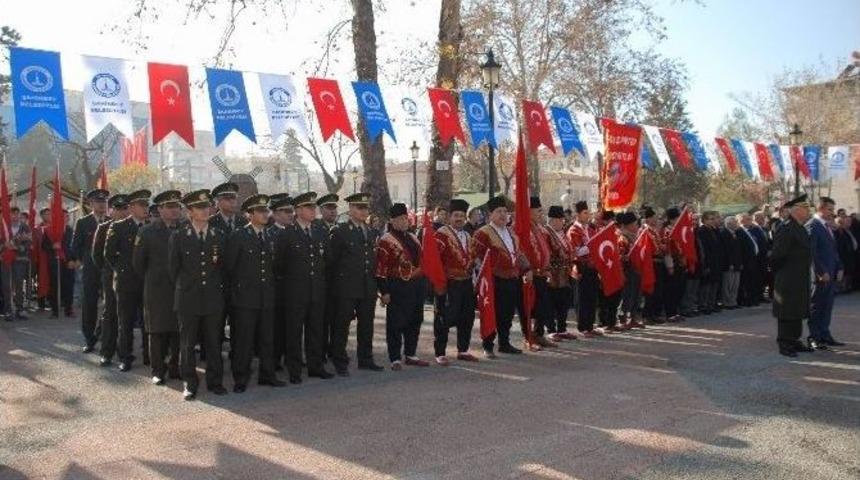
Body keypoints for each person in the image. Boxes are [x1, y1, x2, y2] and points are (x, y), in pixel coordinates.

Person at [169, 189, 228, 400]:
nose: (206, 211)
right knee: (187, 343)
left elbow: (224, 268)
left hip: (213, 298)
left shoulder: (219, 236)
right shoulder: (178, 236)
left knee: (213, 342)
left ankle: (215, 381)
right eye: (200, 208)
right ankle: (190, 383)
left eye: (207, 207)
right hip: (188, 298)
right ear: (190, 211)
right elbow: (173, 269)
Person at [225, 194, 286, 392]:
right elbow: (229, 268)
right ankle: (240, 378)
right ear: (249, 214)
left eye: (266, 210)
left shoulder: (270, 235)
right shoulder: (238, 236)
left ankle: (267, 375)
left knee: (267, 339)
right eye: (260, 211)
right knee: (244, 341)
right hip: (245, 298)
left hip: (266, 297)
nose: (265, 214)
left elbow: (275, 267)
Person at [275, 192, 334, 382]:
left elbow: (327, 260)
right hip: (295, 293)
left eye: (314, 207)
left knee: (316, 330)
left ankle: (315, 366)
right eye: (309, 208)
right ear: (299, 211)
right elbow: (279, 264)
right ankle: (294, 370)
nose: (313, 211)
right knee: (294, 332)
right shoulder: (287, 233)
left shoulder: (320, 231)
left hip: (316, 291)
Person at [326, 193, 384, 376]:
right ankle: (339, 361)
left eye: (366, 208)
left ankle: (365, 359)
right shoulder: (340, 232)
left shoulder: (371, 231)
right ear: (350, 209)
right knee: (341, 326)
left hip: (367, 286)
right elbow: (331, 262)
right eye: (359, 207)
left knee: (366, 325)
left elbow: (373, 260)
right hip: (346, 287)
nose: (363, 211)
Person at [133, 190, 183, 386]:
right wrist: (153, 279)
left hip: (181, 289)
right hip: (157, 289)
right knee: (157, 332)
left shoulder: (185, 228)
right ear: (160, 209)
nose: (174, 210)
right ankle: (158, 369)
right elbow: (138, 264)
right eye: (169, 207)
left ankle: (175, 367)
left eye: (177, 206)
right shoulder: (147, 232)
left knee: (179, 331)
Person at [471, 195, 531, 357]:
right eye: (499, 211)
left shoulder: (511, 233)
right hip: (493, 281)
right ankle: (488, 345)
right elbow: (476, 257)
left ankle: (504, 343)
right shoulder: (482, 233)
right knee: (491, 312)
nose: (503, 215)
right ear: (490, 214)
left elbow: (518, 254)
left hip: (512, 278)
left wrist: (527, 269)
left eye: (505, 211)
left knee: (507, 313)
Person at [376, 203, 428, 370]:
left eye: (405, 218)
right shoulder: (386, 240)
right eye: (399, 219)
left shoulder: (413, 237)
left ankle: (411, 354)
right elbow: (380, 269)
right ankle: (395, 358)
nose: (404, 221)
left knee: (415, 319)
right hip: (397, 286)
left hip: (416, 285)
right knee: (396, 323)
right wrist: (384, 291)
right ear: (392, 220)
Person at [104, 189, 150, 372]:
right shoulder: (119, 227)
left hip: (147, 282)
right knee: (126, 322)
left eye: (147, 204)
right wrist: (122, 271)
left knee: (148, 322)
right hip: (126, 282)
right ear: (131, 208)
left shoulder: (151, 227)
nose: (145, 208)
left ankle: (149, 355)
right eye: (141, 205)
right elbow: (108, 255)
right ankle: (125, 356)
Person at [432, 198, 478, 366]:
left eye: (462, 215)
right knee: (444, 317)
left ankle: (463, 350)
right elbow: (435, 261)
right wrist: (439, 284)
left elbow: (472, 259)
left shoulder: (467, 235)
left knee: (467, 317)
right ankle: (440, 352)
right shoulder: (441, 235)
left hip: (466, 282)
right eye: (456, 215)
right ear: (449, 217)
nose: (459, 218)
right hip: (448, 283)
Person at [771, 195, 814, 357]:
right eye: (806, 208)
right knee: (786, 311)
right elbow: (777, 255)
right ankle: (784, 343)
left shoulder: (799, 227)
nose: (808, 211)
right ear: (797, 210)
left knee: (797, 310)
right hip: (787, 278)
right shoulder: (787, 228)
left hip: (799, 277)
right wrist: (783, 274)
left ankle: (794, 340)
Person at [72, 189, 109, 351]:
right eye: (98, 202)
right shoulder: (83, 222)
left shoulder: (111, 221)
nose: (102, 205)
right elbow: (75, 246)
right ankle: (89, 338)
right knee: (90, 304)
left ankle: (103, 332)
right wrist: (82, 260)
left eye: (104, 202)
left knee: (110, 304)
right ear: (91, 204)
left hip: (108, 269)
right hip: (90, 270)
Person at [95, 194, 128, 367]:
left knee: (126, 317)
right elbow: (97, 255)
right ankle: (106, 352)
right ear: (111, 210)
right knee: (110, 314)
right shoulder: (104, 227)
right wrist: (108, 271)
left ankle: (124, 353)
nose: (122, 212)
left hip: (129, 278)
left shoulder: (134, 227)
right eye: (118, 209)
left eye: (125, 208)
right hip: (110, 277)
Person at [807, 197, 845, 350]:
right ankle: (814, 337)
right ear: (821, 209)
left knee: (827, 305)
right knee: (817, 306)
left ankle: (825, 334)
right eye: (829, 209)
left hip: (831, 271)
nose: (832, 212)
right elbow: (812, 252)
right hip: (820, 275)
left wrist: (839, 266)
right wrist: (821, 271)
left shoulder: (826, 226)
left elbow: (832, 250)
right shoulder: (813, 225)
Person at [266, 193, 292, 371]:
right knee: (276, 328)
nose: (291, 214)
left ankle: (289, 357)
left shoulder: (294, 232)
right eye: (286, 211)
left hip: (293, 290)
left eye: (291, 211)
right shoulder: (270, 234)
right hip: (277, 289)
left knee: (290, 327)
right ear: (275, 214)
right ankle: (274, 360)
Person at [544, 205, 577, 341]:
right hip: (552, 274)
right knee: (551, 303)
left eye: (563, 219)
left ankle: (562, 329)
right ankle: (551, 329)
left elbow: (570, 249)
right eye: (560, 219)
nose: (563, 222)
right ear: (552, 220)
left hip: (564, 274)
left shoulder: (562, 233)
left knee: (563, 303)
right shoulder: (546, 233)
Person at [568, 201, 601, 336]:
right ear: (578, 215)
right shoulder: (573, 230)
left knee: (592, 297)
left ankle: (590, 325)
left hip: (593, 268)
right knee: (582, 298)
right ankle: (583, 327)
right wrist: (591, 246)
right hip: (581, 268)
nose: (587, 216)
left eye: (588, 213)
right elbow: (575, 251)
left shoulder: (591, 229)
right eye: (585, 213)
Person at [314, 193, 339, 362]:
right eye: (329, 208)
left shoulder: (339, 228)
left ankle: (333, 350)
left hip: (337, 283)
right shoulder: (315, 228)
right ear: (321, 210)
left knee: (335, 318)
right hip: (320, 282)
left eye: (334, 208)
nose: (332, 211)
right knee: (320, 321)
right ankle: (319, 351)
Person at [2, 206, 32, 322]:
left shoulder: (25, 227)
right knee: (6, 285)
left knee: (19, 284)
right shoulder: (3, 227)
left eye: (17, 214)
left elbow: (29, 243)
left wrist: (19, 247)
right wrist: (5, 246)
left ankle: (20, 309)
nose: (14, 216)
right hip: (6, 259)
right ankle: (8, 310)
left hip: (20, 259)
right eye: (12, 214)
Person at [617, 212, 644, 329]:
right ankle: (623, 320)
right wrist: (626, 257)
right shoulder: (622, 238)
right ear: (627, 225)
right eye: (634, 224)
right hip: (627, 270)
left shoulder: (635, 237)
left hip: (636, 269)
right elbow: (619, 255)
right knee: (627, 295)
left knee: (636, 294)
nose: (636, 226)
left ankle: (633, 318)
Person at [641, 206, 667, 324]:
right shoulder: (644, 231)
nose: (656, 219)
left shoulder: (654, 231)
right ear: (648, 219)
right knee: (650, 290)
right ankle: (647, 315)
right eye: (654, 217)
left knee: (658, 290)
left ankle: (655, 313)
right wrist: (659, 248)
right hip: (651, 263)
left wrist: (663, 246)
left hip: (659, 262)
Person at [696, 211, 723, 315]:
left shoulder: (713, 230)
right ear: (704, 220)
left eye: (713, 219)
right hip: (708, 262)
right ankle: (703, 305)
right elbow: (704, 250)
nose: (712, 221)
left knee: (714, 284)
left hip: (716, 261)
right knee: (706, 285)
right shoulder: (702, 231)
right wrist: (706, 264)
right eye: (710, 219)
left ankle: (711, 304)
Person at [719, 216, 743, 310]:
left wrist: (740, 262)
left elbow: (738, 250)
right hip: (729, 264)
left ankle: (733, 301)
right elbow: (726, 251)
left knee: (735, 284)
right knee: (728, 284)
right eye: (735, 222)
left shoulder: (735, 233)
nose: (737, 223)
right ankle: (727, 302)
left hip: (737, 263)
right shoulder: (724, 234)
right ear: (728, 224)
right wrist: (730, 264)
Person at [835, 215, 857, 292]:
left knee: (849, 272)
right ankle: (841, 288)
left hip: (850, 255)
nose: (849, 223)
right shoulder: (838, 232)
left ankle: (847, 287)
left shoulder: (849, 230)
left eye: (850, 221)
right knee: (844, 272)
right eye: (847, 222)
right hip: (844, 255)